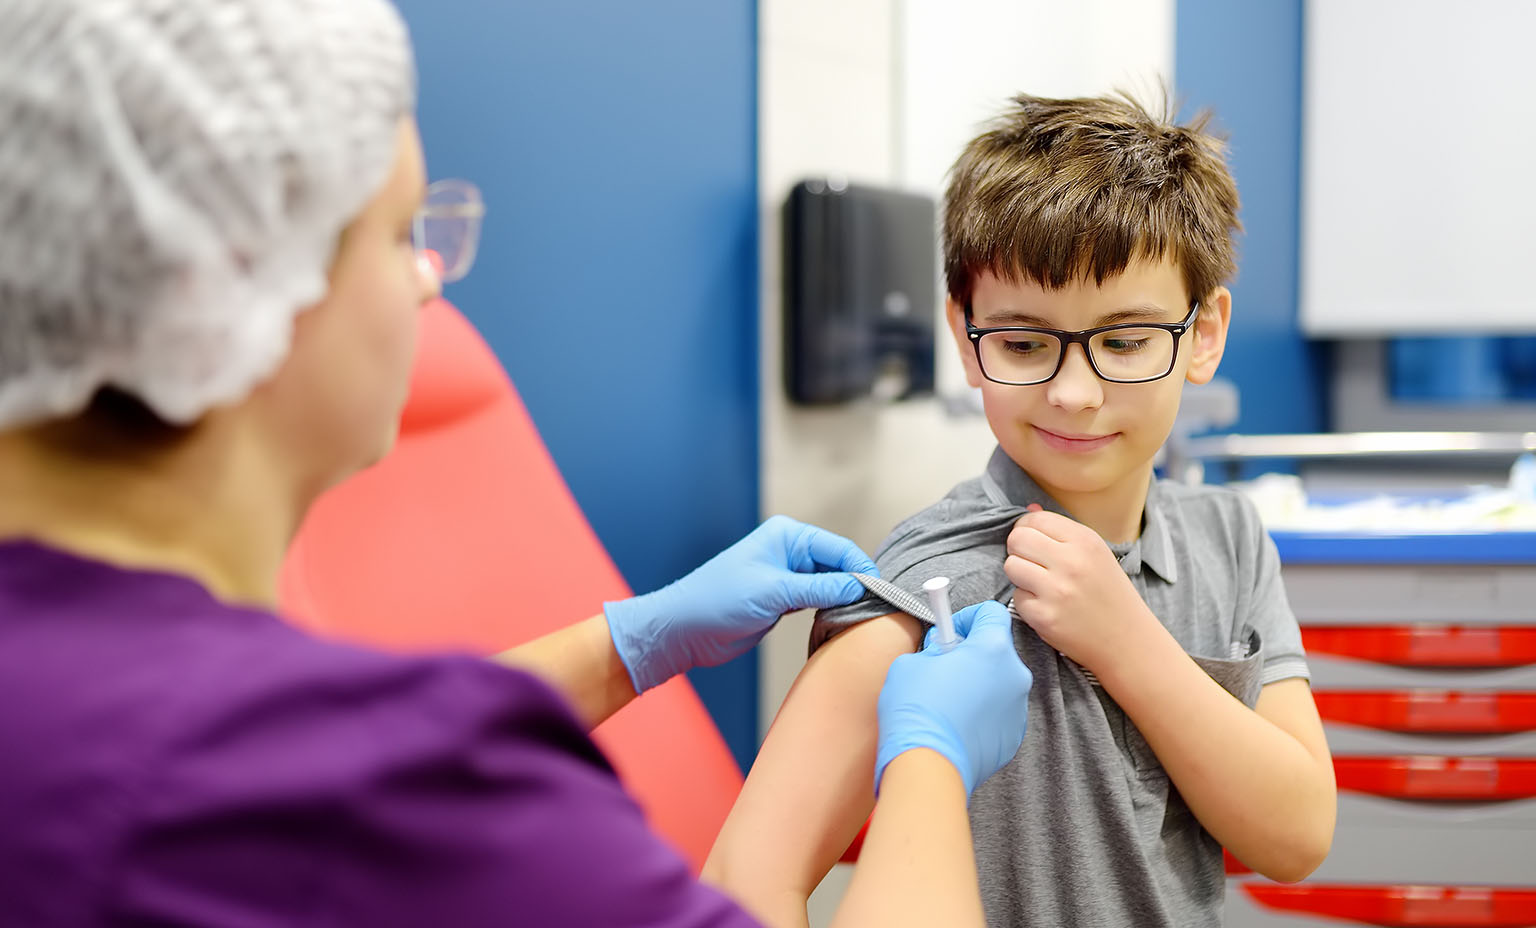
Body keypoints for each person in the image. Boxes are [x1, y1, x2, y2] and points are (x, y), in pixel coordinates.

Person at [0, 1, 1035, 925]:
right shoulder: (394, 805)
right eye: (403, 232)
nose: (427, 284)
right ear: (227, 289)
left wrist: (631, 642)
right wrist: (929, 767)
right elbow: (353, 777)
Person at [704, 93, 1338, 927]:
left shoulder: (1229, 538)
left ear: (1205, 334)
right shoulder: (927, 591)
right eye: (1026, 344)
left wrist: (1127, 646)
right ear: (966, 340)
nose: (1075, 394)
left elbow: (1297, 838)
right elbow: (743, 883)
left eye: (1123, 341)